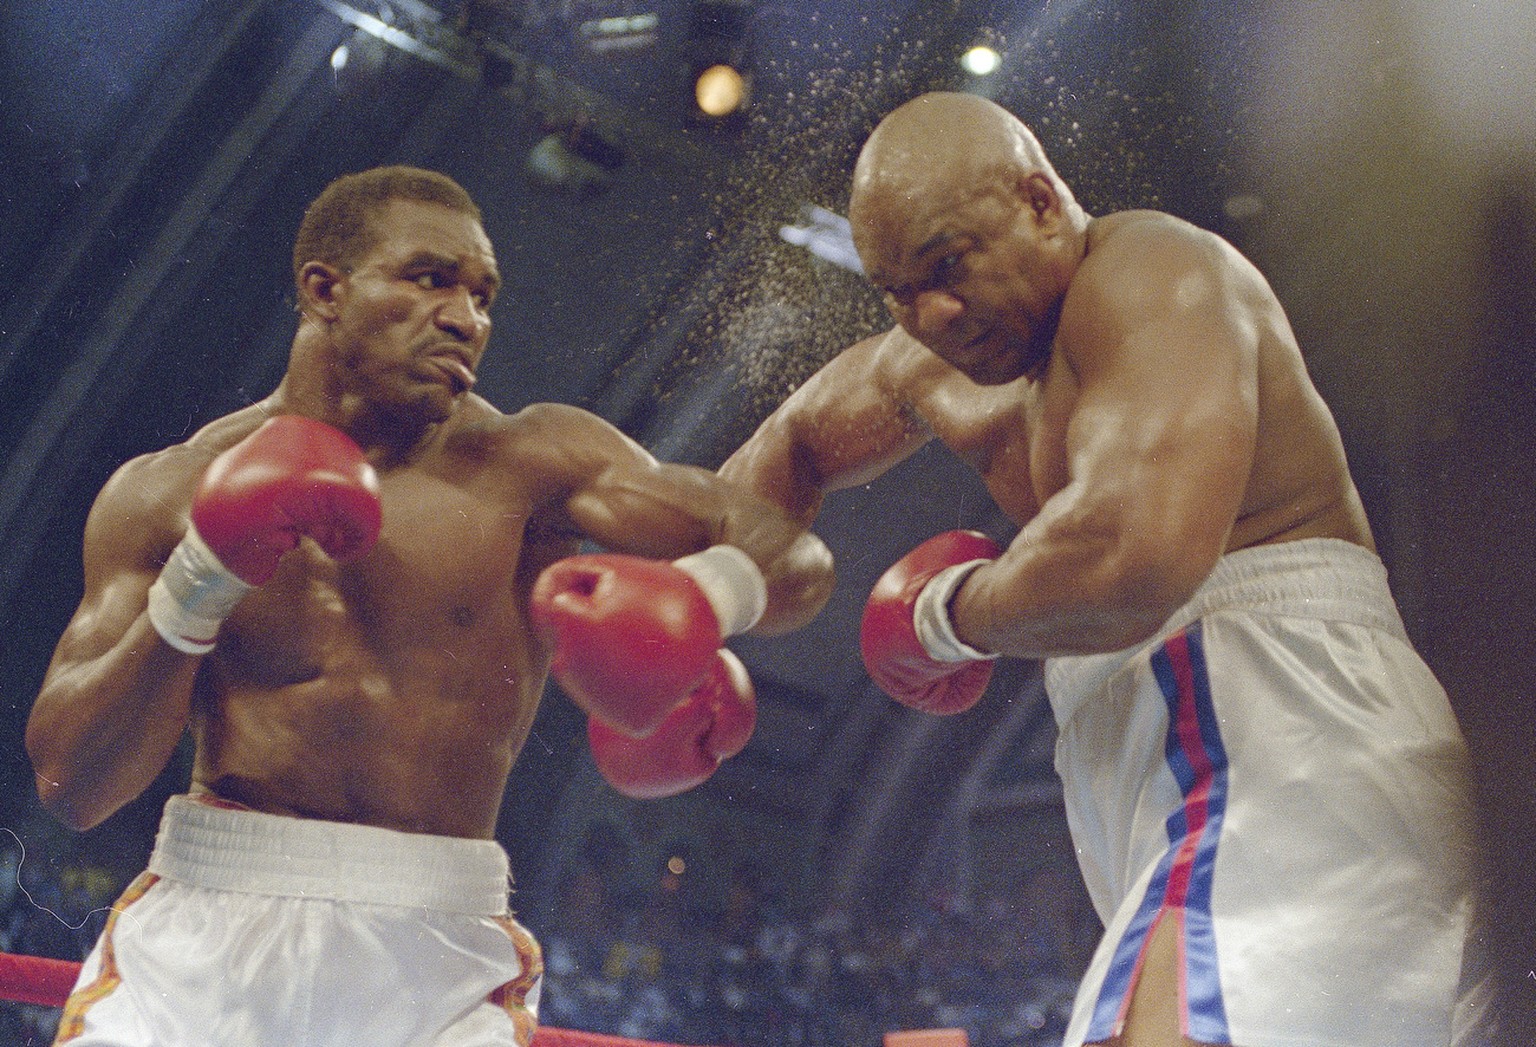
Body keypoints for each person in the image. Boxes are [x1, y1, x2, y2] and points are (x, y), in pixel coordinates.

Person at [720, 92, 1483, 1047]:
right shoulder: (941, 357)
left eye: (950, 265)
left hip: (1280, 739)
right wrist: (701, 602)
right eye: (897, 289)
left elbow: (1134, 554)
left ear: (1041, 200)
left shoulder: (1153, 273)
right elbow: (791, 444)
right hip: (1231, 764)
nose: (932, 315)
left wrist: (941, 614)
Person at [26, 164, 835, 1047]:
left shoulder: (533, 462)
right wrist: (201, 578)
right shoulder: (167, 493)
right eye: (429, 278)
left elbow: (793, 554)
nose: (465, 317)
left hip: (435, 951)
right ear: (325, 289)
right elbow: (70, 783)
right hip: (206, 926)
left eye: (483, 294)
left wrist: (708, 596)